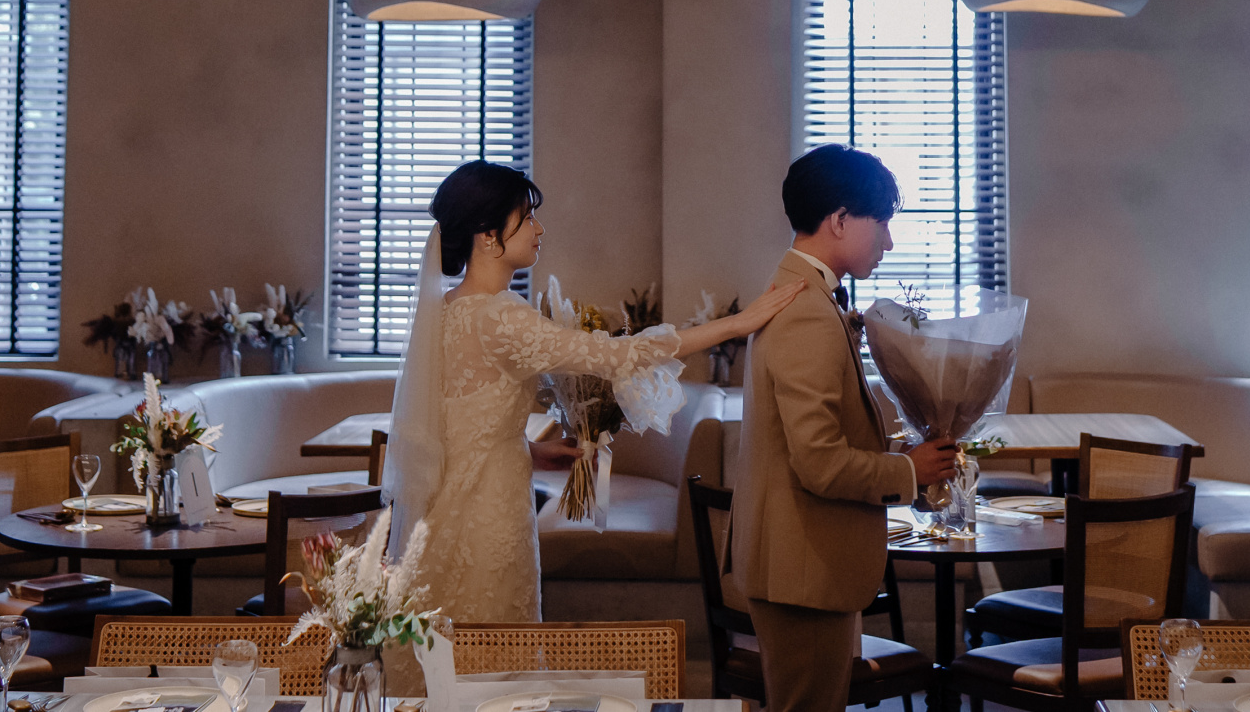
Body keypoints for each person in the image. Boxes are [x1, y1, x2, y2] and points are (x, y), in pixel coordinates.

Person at [385, 160, 802, 626]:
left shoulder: (448, 310)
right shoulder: (501, 316)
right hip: (487, 515)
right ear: (488, 235)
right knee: (493, 644)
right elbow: (618, 355)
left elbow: (456, 426)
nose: (540, 229)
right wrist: (737, 324)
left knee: (448, 647)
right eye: (527, 217)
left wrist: (531, 451)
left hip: (446, 511)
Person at [732, 144, 960, 712]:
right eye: (881, 222)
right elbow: (819, 462)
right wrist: (908, 470)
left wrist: (900, 450)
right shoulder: (807, 311)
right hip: (803, 566)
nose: (889, 241)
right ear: (839, 220)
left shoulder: (806, 297)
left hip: (801, 562)